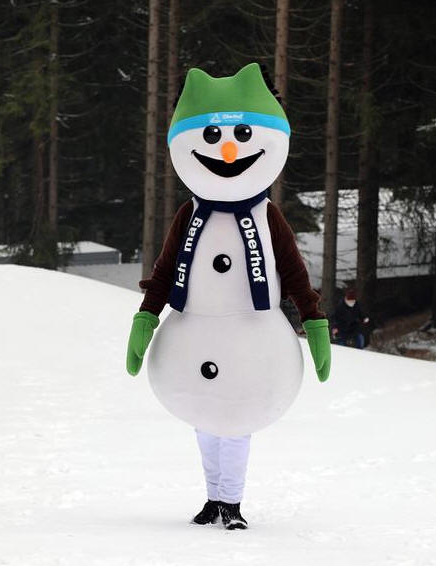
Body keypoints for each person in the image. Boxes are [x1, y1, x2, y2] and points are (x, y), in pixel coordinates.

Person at [126, 63, 331, 530]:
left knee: (238, 422)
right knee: (205, 422)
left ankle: (232, 503)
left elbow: (294, 273)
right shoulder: (189, 215)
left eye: (241, 134)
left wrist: (314, 319)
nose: (229, 149)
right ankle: (212, 498)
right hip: (193, 337)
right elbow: (164, 271)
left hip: (253, 340)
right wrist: (145, 318)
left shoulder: (266, 216)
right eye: (213, 136)